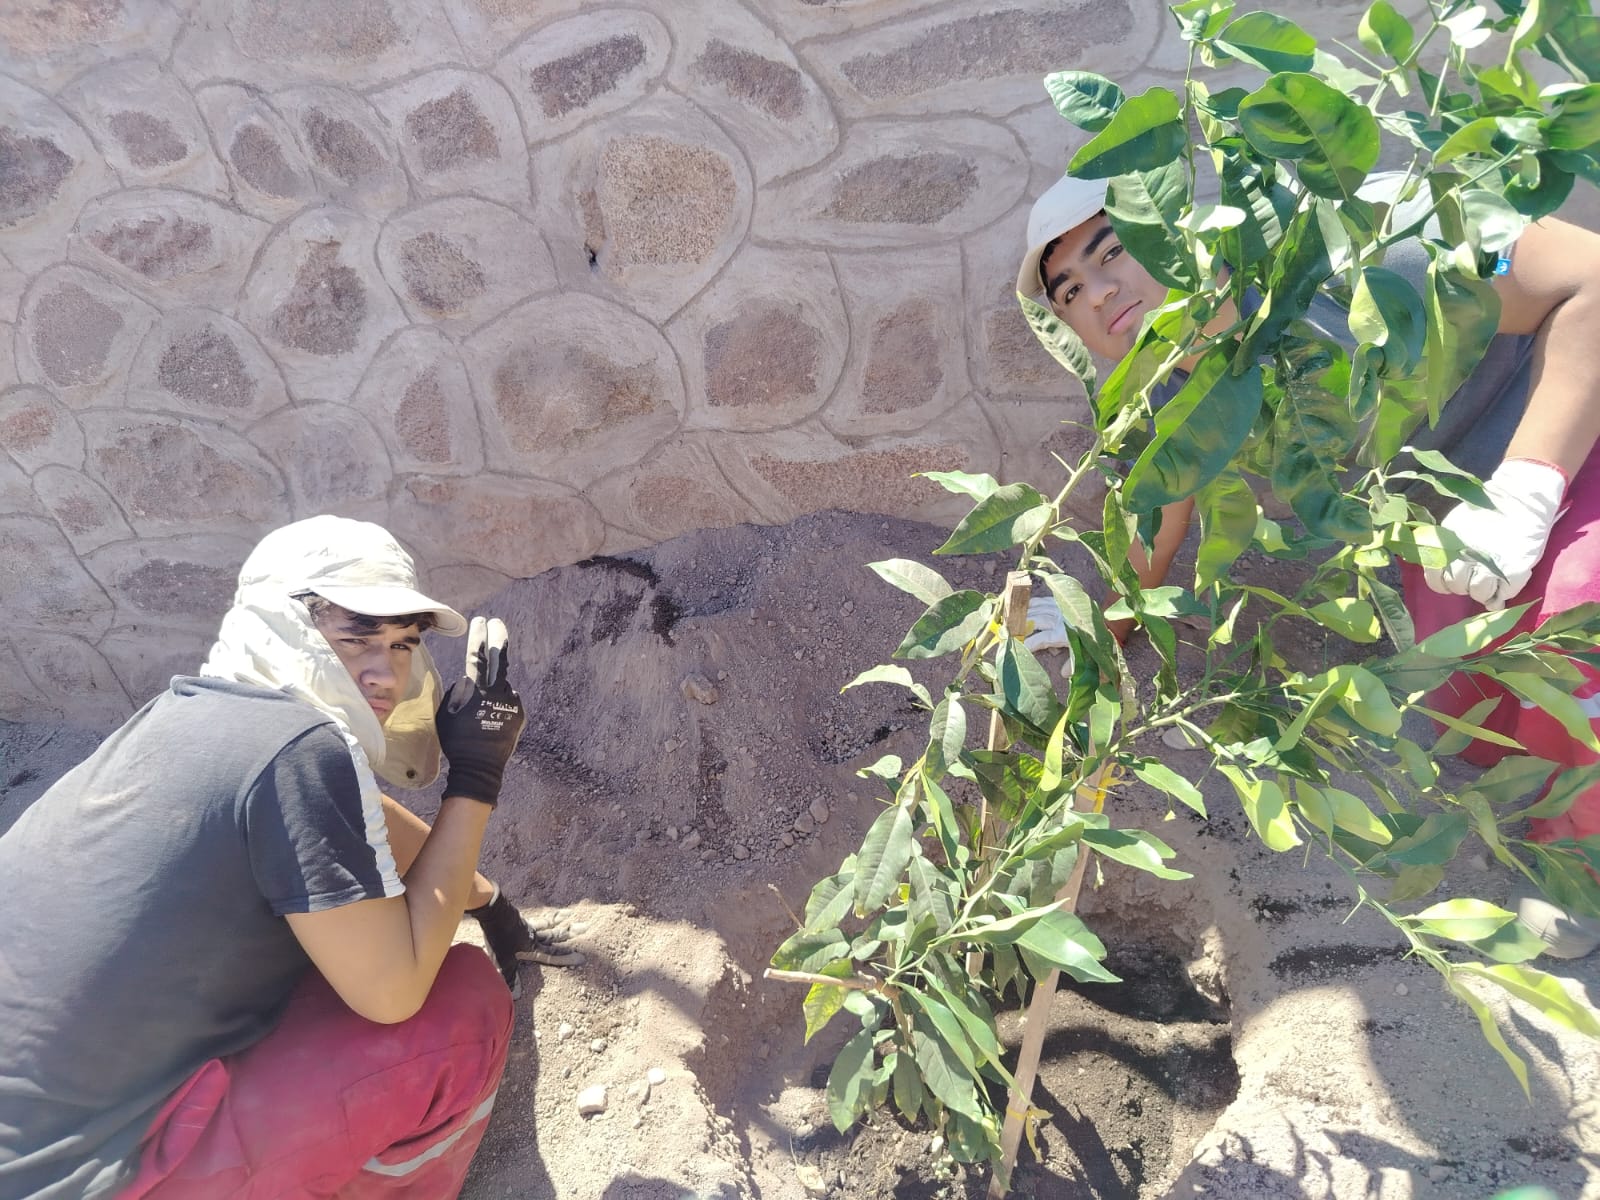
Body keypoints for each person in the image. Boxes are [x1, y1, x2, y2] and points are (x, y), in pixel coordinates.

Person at [1015, 169, 1600, 956]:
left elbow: (1590, 279)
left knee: (1578, 620)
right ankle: (1573, 830)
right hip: (1451, 514)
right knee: (1483, 694)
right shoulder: (1169, 379)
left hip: (1570, 437)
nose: (1093, 293)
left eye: (1112, 250)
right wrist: (1102, 626)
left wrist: (1531, 482)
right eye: (1067, 292)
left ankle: (1583, 863)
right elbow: (1160, 506)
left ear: (1183, 227)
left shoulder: (1355, 243)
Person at [0, 515, 578, 1200]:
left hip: (37, 1131)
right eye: (354, 637)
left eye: (402, 645)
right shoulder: (300, 750)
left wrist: (489, 902)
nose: (385, 669)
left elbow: (361, 824)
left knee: (335, 946)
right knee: (462, 1008)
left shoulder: (191, 712)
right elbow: (394, 995)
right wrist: (478, 778)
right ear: (284, 624)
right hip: (78, 1180)